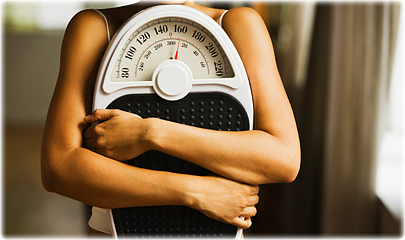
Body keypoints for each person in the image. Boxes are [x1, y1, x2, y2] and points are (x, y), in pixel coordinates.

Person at [41, 0, 300, 237]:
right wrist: (196, 192)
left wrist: (149, 133)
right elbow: (59, 168)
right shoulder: (94, 27)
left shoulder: (238, 25)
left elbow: (284, 159)